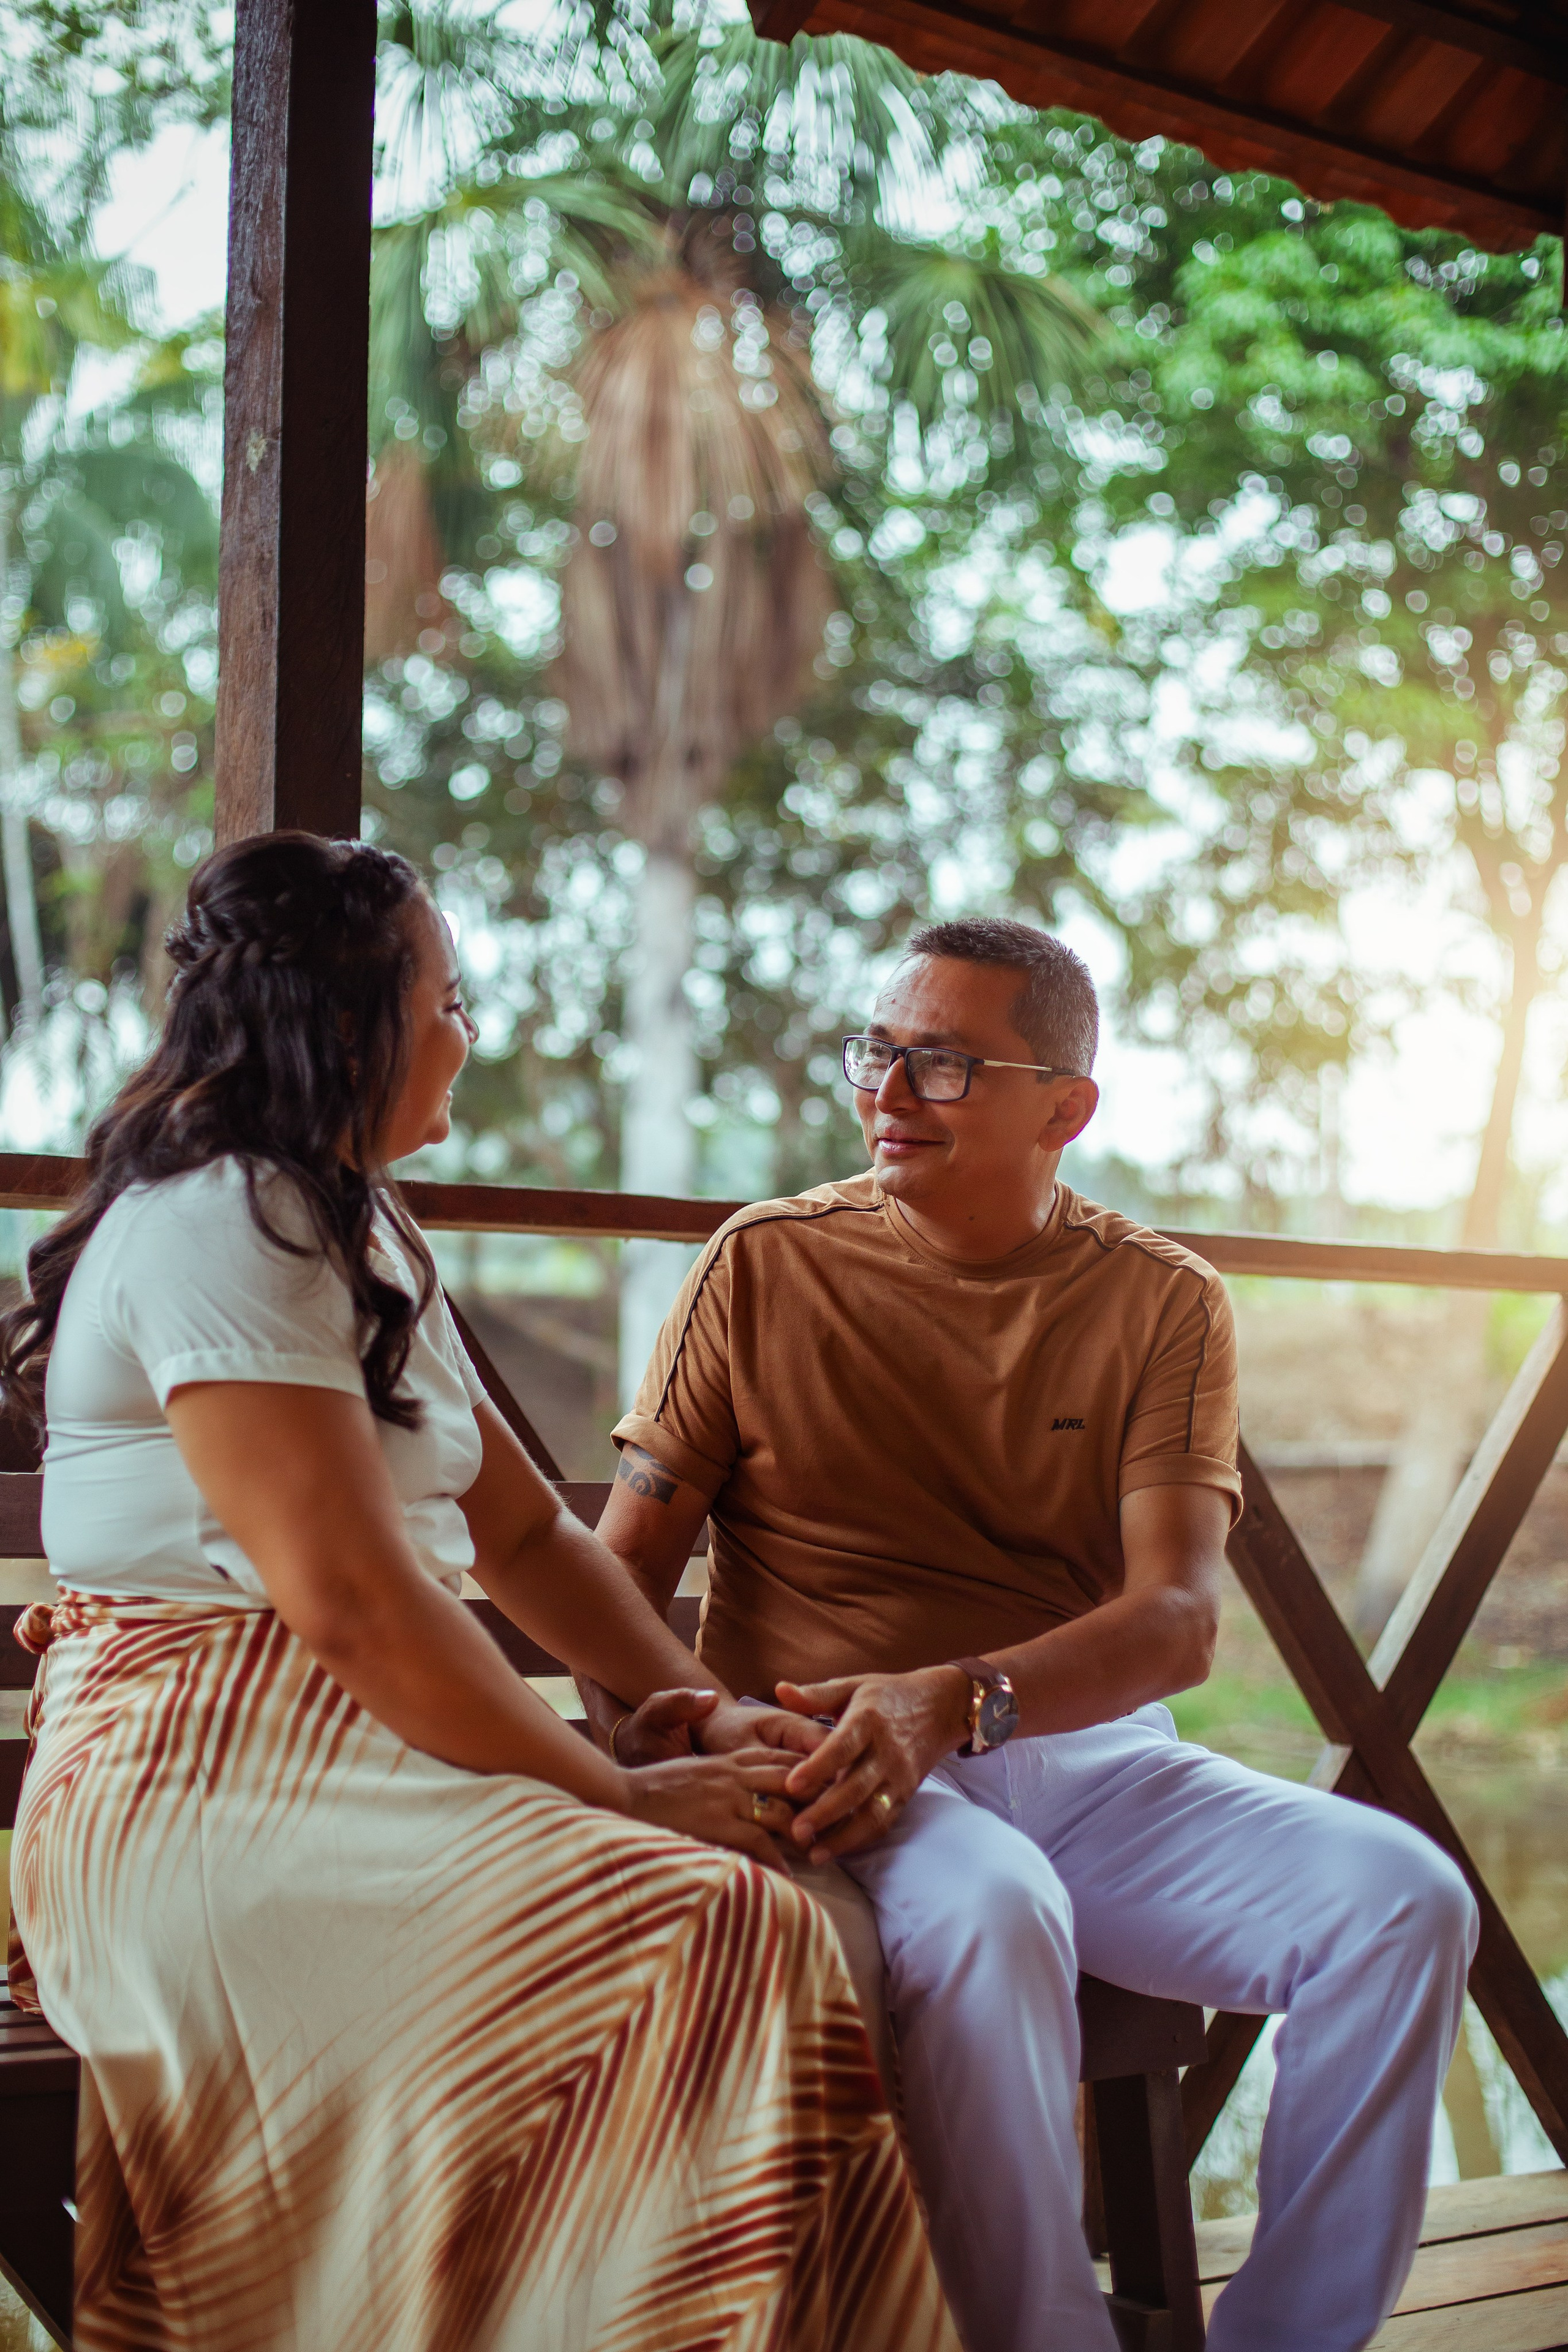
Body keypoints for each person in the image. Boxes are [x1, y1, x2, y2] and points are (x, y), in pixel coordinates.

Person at [0, 832, 960, 2352]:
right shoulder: (214, 1219)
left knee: (774, 1907)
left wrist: (690, 1712)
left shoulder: (353, 1222)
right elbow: (355, 1604)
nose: (467, 1030)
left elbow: (527, 1544)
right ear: (351, 1021)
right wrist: (614, 1796)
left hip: (383, 1747)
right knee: (716, 1930)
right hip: (201, 1784)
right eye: (447, 998)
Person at [582, 916, 1481, 2352]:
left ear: (1063, 1108)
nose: (887, 1092)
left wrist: (957, 1696)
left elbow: (1176, 1621)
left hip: (1086, 1762)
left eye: (940, 1065)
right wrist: (680, 1743)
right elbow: (618, 1576)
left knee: (1400, 1899)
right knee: (999, 1911)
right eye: (877, 1052)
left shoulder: (1160, 1298)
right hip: (840, 1768)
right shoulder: (759, 1267)